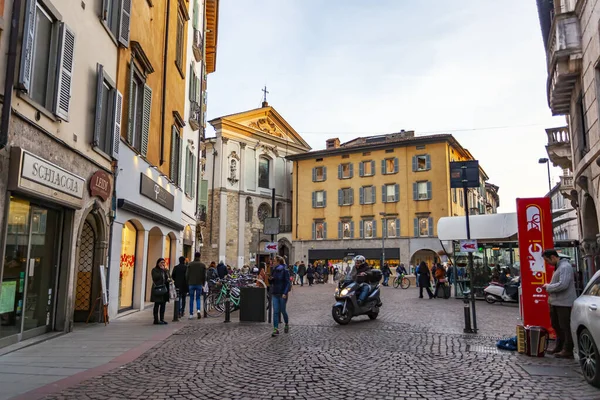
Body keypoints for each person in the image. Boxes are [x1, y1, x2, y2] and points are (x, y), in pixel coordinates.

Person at [542, 249, 577, 358]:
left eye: (547, 260)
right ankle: (560, 346)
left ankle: (567, 349)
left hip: (564, 302)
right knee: (556, 324)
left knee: (564, 326)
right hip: (556, 302)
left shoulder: (565, 267)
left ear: (553, 257)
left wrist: (548, 287)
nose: (547, 263)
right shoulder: (558, 267)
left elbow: (563, 284)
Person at [268, 256, 291, 336]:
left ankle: (286, 324)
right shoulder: (274, 270)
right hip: (275, 293)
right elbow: (272, 282)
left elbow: (288, 283)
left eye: (274, 261)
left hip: (282, 293)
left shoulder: (285, 270)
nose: (273, 262)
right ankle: (275, 329)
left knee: (283, 311)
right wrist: (270, 279)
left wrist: (285, 293)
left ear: (278, 262)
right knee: (275, 311)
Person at [150, 258, 171, 325]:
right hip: (158, 289)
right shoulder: (154, 270)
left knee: (163, 305)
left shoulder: (165, 270)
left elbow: (168, 278)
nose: (162, 264)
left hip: (164, 290)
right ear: (158, 263)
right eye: (161, 262)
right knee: (157, 305)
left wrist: (169, 279)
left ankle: (162, 319)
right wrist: (161, 271)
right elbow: (155, 278)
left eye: (163, 262)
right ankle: (156, 319)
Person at [186, 252, 206, 320]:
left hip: (191, 283)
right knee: (198, 298)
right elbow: (204, 276)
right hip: (199, 283)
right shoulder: (202, 265)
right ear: (200, 256)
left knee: (191, 299)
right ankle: (198, 310)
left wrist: (187, 282)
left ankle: (191, 314)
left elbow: (187, 275)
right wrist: (203, 283)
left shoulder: (190, 264)